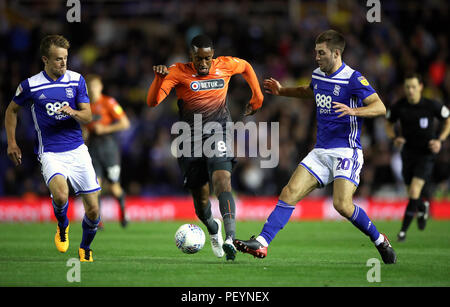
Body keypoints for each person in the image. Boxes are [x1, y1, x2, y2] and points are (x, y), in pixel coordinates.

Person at [234, 29, 397, 264]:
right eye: (315, 53)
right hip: (320, 151)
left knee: (342, 204)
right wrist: (281, 91)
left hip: (346, 151)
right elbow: (308, 91)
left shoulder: (353, 78)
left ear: (336, 53)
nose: (316, 57)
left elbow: (380, 106)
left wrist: (354, 110)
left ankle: (380, 240)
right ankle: (262, 242)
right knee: (289, 192)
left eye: (321, 53)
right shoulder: (318, 75)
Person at [146, 34, 264, 261]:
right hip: (189, 139)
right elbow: (153, 102)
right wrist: (158, 79)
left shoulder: (225, 65)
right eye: (198, 59)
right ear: (191, 56)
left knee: (223, 180)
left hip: (219, 133)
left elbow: (246, 67)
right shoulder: (177, 71)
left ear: (213, 56)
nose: (203, 63)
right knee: (201, 201)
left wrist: (257, 96)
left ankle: (230, 238)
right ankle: (213, 229)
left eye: (207, 59)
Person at [4, 35, 101, 262]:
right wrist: (11, 142)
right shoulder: (30, 85)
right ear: (45, 60)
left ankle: (85, 246)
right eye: (58, 59)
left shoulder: (77, 80)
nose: (63, 63)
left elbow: (88, 115)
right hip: (50, 152)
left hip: (77, 150)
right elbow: (11, 111)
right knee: (60, 195)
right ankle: (62, 224)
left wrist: (74, 112)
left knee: (94, 211)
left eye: (66, 58)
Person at [385, 73, 450, 242]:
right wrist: (394, 138)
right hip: (407, 154)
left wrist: (440, 140)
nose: (410, 90)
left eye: (413, 87)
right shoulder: (399, 106)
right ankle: (423, 207)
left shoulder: (431, 105)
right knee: (412, 194)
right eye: (407, 87)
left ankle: (402, 232)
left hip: (426, 154)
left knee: (414, 191)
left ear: (420, 87)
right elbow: (388, 124)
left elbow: (447, 120)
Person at [84, 74, 130, 228]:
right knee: (95, 185)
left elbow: (125, 123)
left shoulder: (108, 102)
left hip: (109, 147)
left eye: (95, 87)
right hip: (93, 148)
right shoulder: (84, 106)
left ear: (100, 87)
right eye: (90, 88)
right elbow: (84, 128)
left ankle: (123, 212)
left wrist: (105, 129)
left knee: (114, 187)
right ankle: (98, 219)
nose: (93, 90)